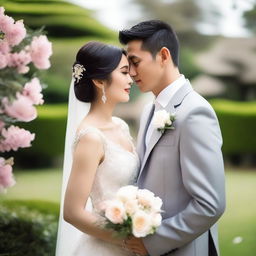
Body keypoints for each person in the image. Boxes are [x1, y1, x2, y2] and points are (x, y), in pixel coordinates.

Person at [119, 20, 226, 256]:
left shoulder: (195, 112)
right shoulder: (148, 110)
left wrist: (154, 242)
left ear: (163, 56)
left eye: (135, 62)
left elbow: (210, 204)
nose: (132, 72)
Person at [55, 41, 139, 256]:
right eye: (123, 72)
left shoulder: (120, 126)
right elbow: (73, 212)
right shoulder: (91, 137)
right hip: (106, 249)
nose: (131, 79)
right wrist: (129, 240)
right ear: (100, 80)